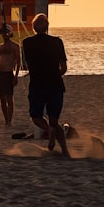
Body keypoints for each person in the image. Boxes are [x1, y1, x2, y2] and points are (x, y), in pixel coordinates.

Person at [21, 13, 69, 156]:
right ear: (47, 27)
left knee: (36, 117)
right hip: (55, 84)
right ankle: (65, 151)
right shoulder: (57, 42)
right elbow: (64, 68)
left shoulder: (27, 43)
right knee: (54, 121)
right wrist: (54, 75)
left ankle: (49, 131)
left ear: (33, 28)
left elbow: (28, 64)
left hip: (37, 84)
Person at [0, 25, 21, 127]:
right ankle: (6, 120)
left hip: (8, 74)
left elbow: (18, 62)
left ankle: (9, 121)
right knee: (2, 99)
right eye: (3, 33)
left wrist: (16, 76)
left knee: (9, 99)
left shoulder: (15, 47)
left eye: (6, 33)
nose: (4, 35)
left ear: (9, 33)